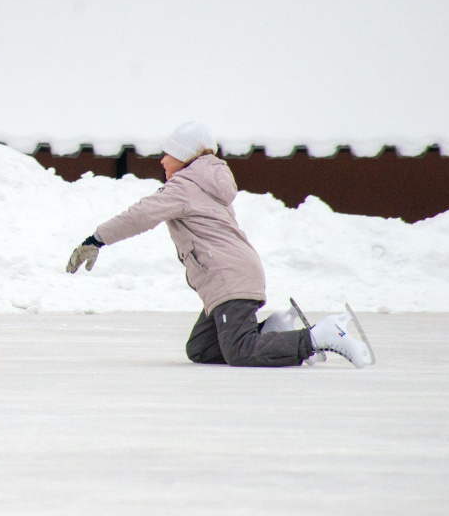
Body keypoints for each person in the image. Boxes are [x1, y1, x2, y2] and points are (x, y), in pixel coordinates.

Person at [66, 121, 373, 369]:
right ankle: (272, 332)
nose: (162, 160)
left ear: (186, 156)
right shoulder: (205, 184)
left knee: (240, 351)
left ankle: (320, 337)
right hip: (236, 275)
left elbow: (141, 215)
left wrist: (96, 240)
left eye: (169, 154)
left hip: (229, 278)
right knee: (201, 349)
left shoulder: (184, 187)